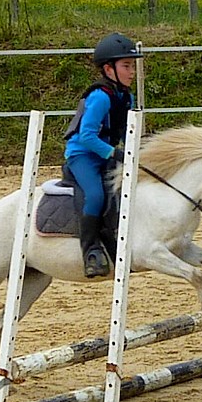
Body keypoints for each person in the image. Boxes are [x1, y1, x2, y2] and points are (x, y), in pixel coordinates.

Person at [64, 32, 142, 278]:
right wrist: (116, 154)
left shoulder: (126, 97)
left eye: (133, 66)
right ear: (109, 70)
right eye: (127, 66)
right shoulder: (100, 97)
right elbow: (86, 136)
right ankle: (90, 252)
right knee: (96, 195)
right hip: (82, 156)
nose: (132, 72)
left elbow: (125, 132)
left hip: (106, 155)